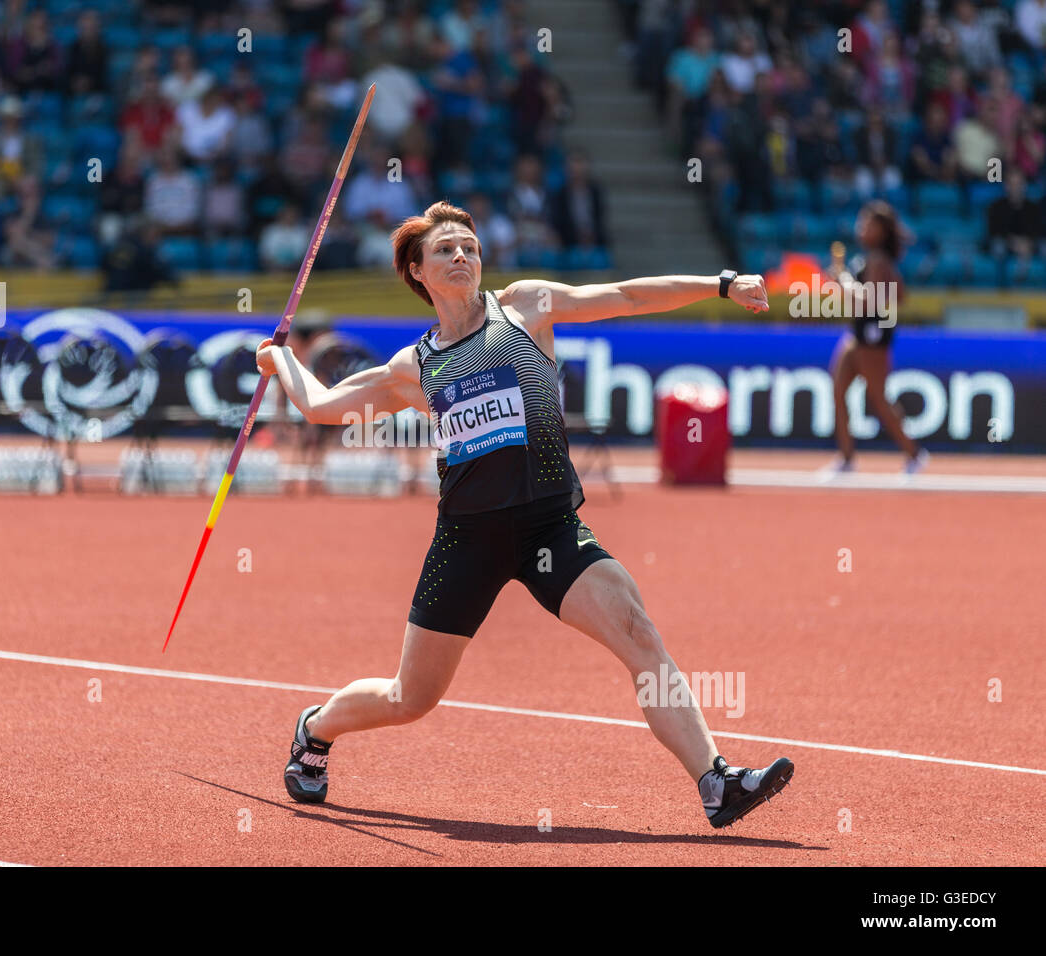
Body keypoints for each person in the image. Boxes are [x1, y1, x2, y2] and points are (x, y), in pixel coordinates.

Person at [255, 201, 794, 829]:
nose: (462, 256)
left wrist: (721, 284)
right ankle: (315, 730)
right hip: (467, 541)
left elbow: (625, 295)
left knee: (641, 636)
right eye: (445, 250)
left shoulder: (525, 308)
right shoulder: (417, 366)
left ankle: (715, 781)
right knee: (410, 698)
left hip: (550, 527)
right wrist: (280, 361)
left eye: (469, 247)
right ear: (417, 272)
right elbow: (323, 406)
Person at [825, 201, 927, 475]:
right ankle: (846, 458)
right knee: (838, 390)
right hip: (859, 332)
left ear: (881, 231)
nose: (861, 228)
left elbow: (869, 301)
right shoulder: (872, 258)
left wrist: (843, 279)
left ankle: (914, 453)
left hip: (873, 333)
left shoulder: (879, 260)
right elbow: (897, 295)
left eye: (868, 224)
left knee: (878, 397)